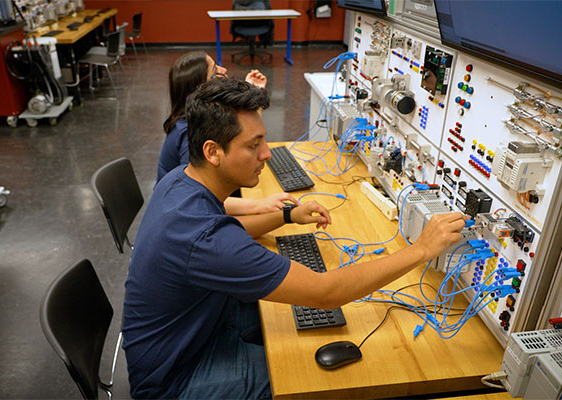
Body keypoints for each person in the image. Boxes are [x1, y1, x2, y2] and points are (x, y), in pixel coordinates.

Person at [122, 77, 467, 399]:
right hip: (175, 378)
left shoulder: (180, 181)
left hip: (194, 328)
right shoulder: (203, 236)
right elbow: (326, 293)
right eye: (253, 145)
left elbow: (228, 237)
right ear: (213, 151)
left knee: (293, 328)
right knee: (309, 378)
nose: (266, 153)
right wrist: (422, 249)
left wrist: (287, 215)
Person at [157, 50, 288, 216]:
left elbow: (242, 131)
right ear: (200, 87)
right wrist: (259, 205)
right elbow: (198, 198)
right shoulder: (188, 133)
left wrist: (252, 94)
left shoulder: (195, 120)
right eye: (215, 71)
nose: (224, 70)